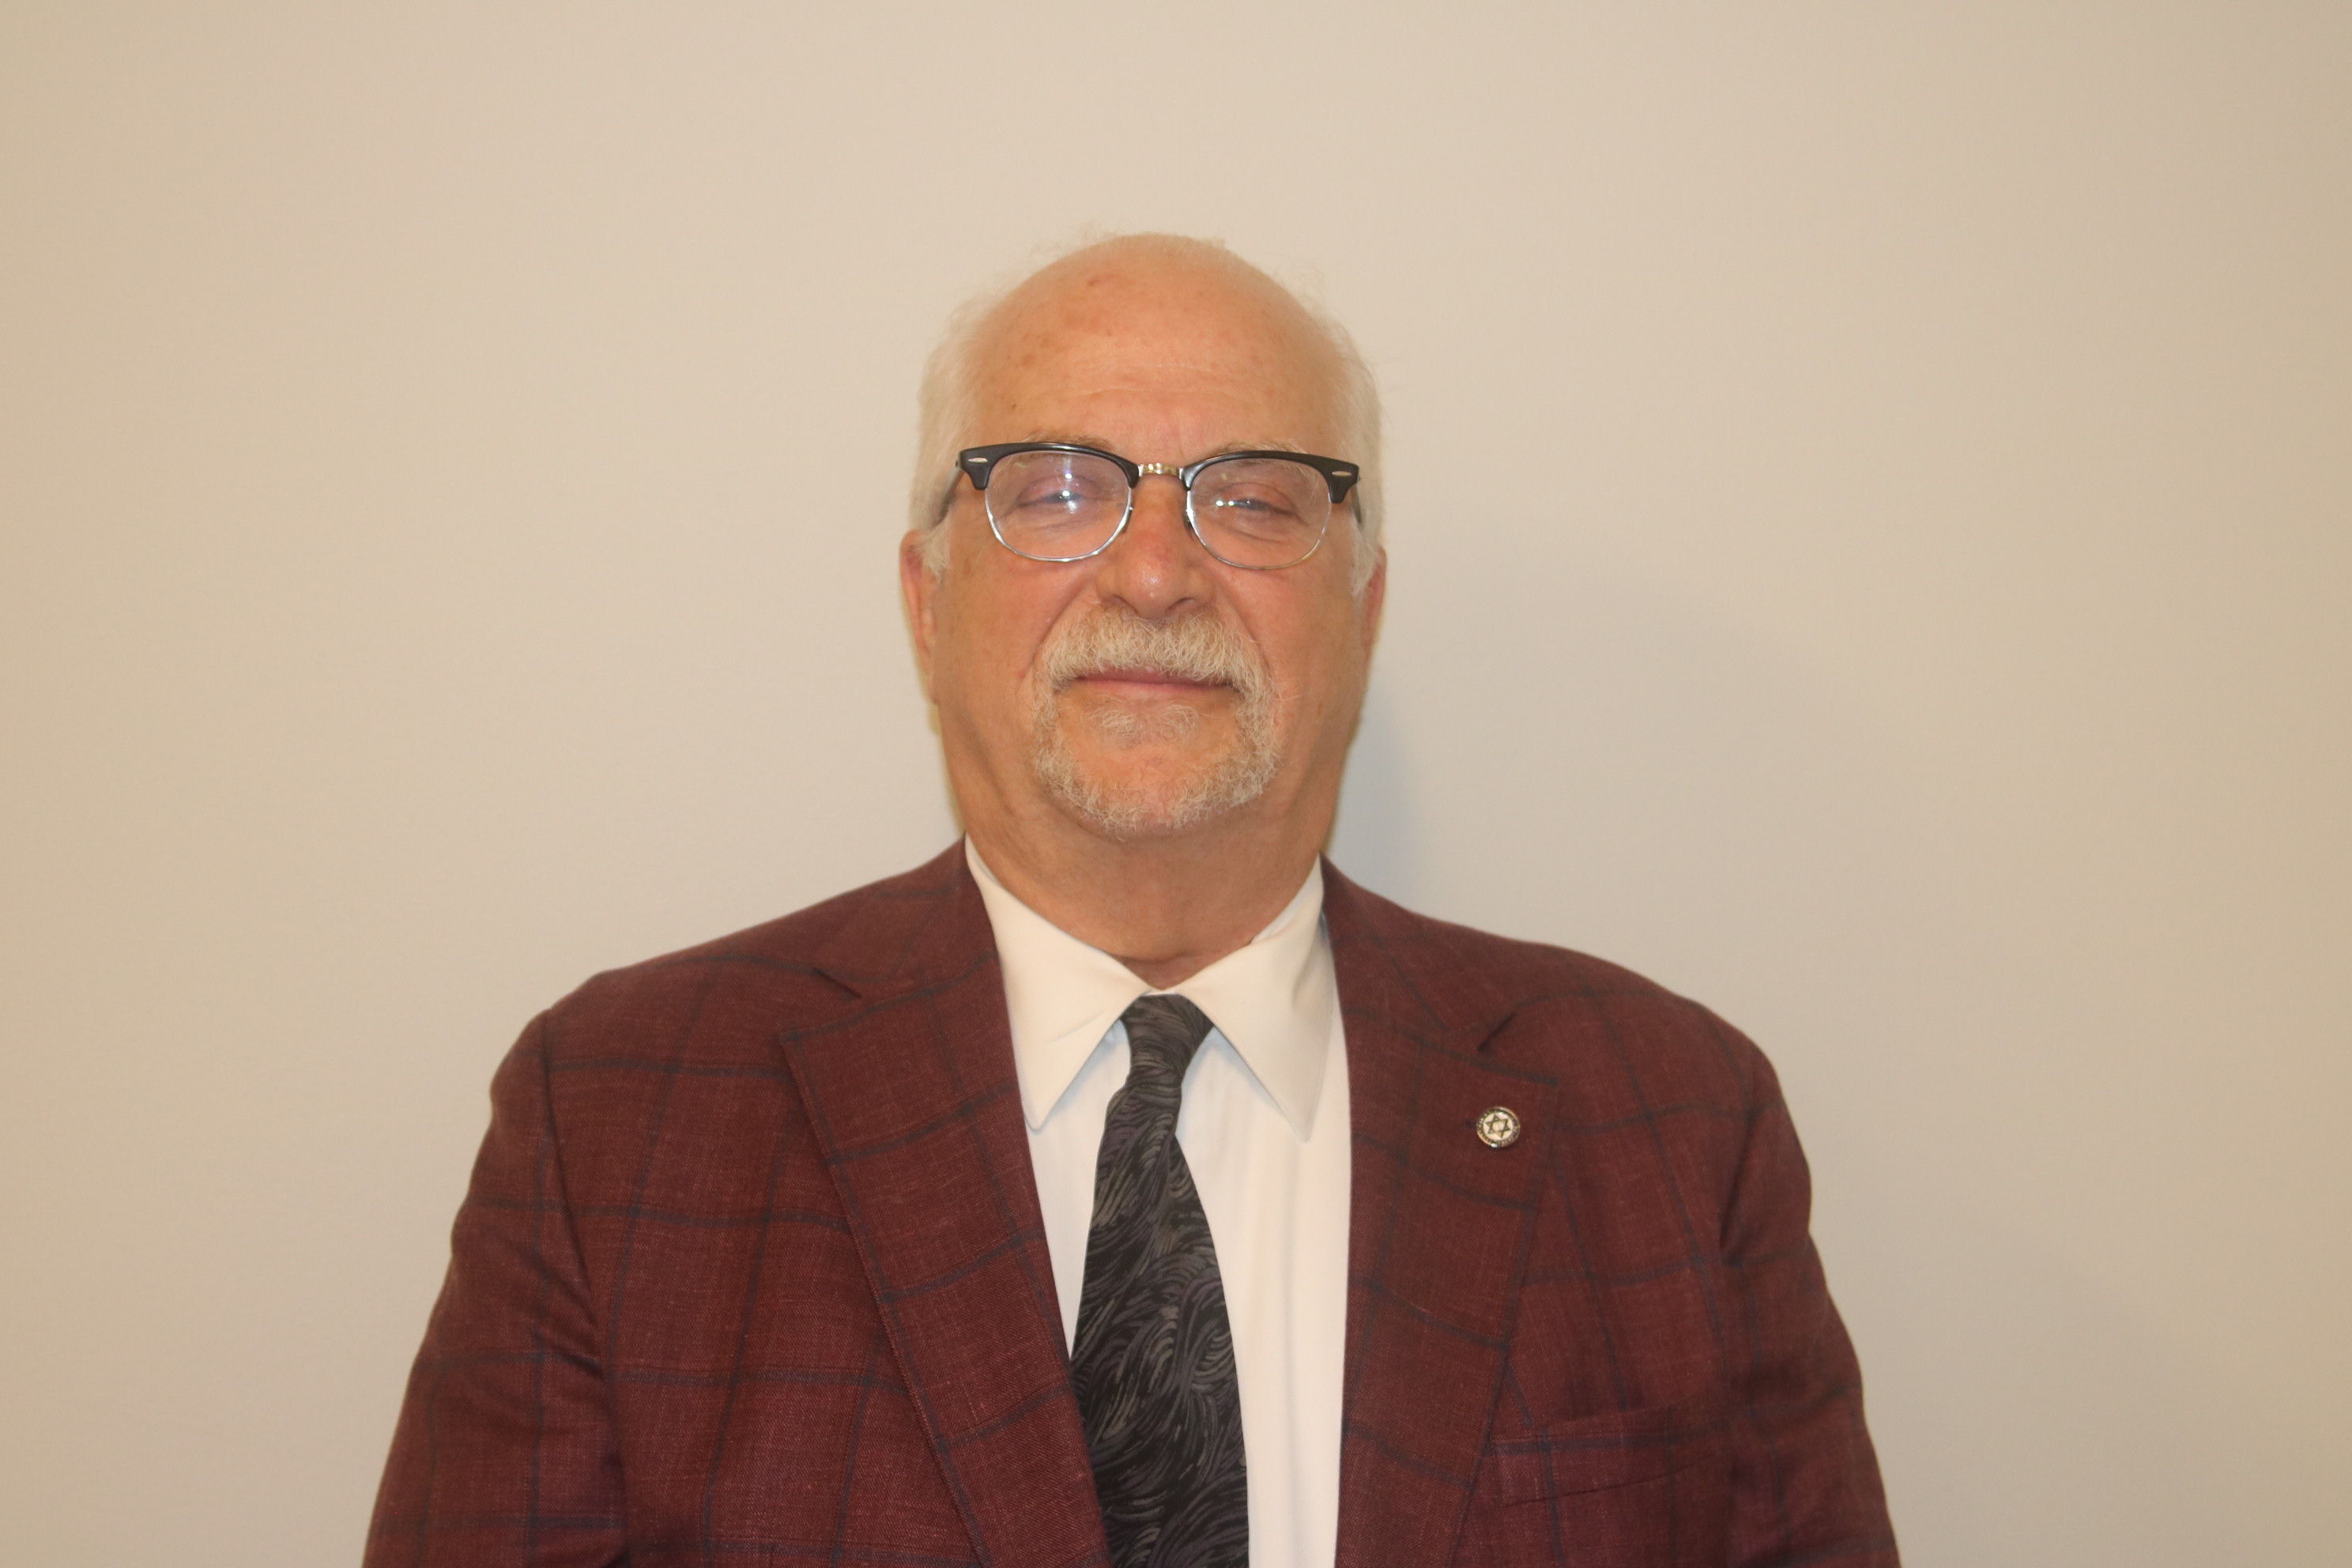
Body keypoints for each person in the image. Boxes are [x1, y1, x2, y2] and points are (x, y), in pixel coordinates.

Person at [367, 235, 1897, 1568]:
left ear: (1363, 608)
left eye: (1256, 498)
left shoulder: (1668, 1118)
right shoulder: (623, 1117)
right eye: (1055, 489)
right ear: (926, 598)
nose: (1156, 572)